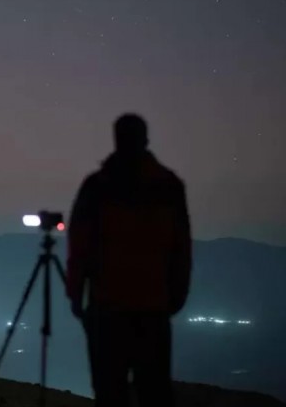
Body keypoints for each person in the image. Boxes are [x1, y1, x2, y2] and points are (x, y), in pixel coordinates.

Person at [66, 114, 192, 407]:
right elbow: (181, 247)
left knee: (110, 392)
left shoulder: (98, 186)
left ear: (117, 139)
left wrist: (76, 294)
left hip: (107, 307)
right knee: (154, 390)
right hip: (153, 308)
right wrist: (175, 296)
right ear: (145, 139)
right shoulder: (168, 186)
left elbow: (79, 244)